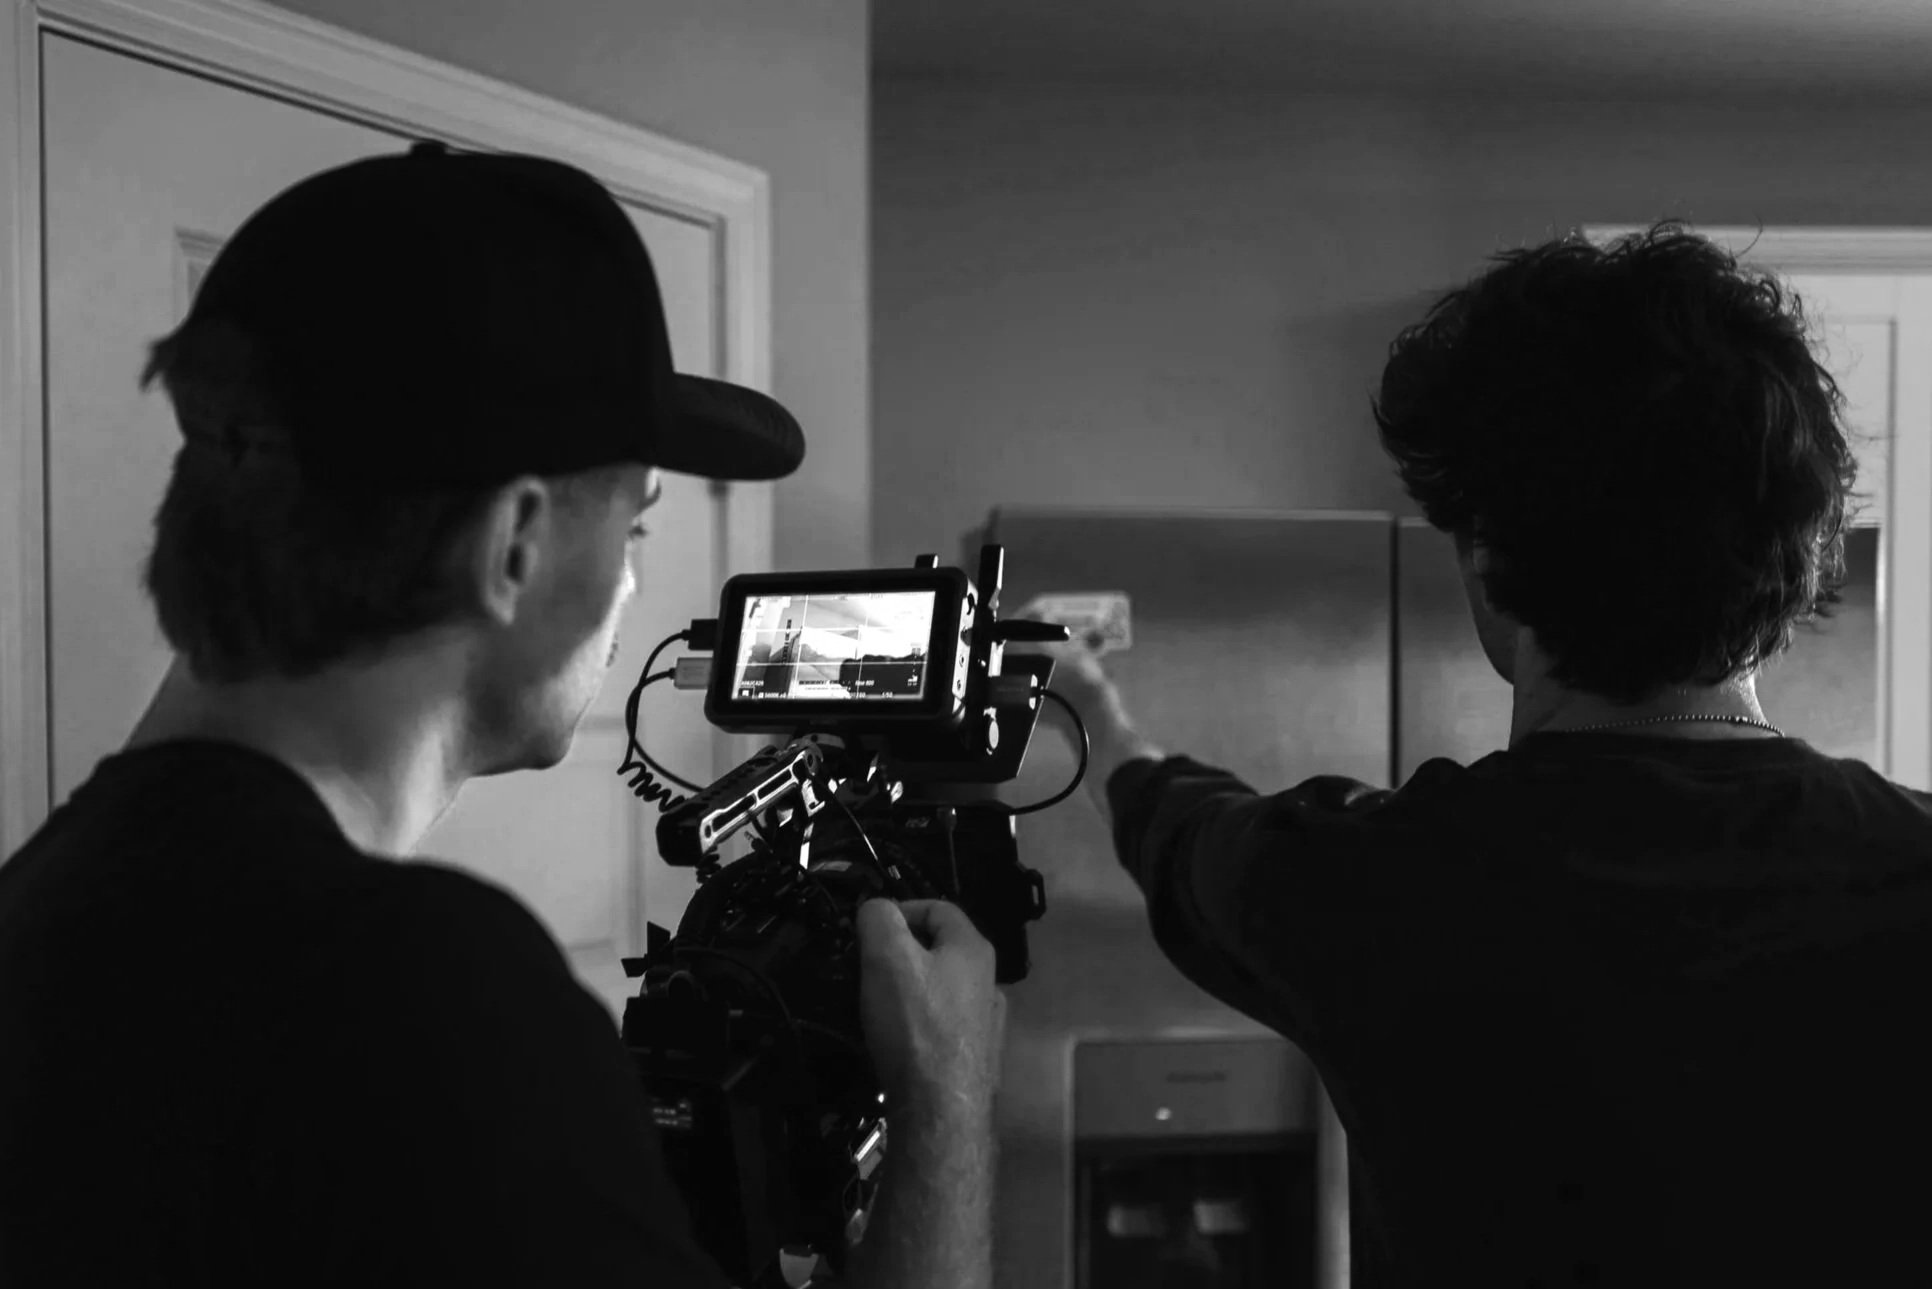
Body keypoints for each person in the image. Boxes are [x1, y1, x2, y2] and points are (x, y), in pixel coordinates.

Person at [0, 143, 1002, 1288]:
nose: (630, 587)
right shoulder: (419, 1003)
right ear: (514, 543)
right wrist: (947, 1095)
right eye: (633, 527)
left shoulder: (48, 901)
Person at [1034, 224, 1932, 1288]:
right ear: (1800, 561)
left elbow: (1176, 831)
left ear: (1491, 560)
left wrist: (1089, 705)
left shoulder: (1369, 885)